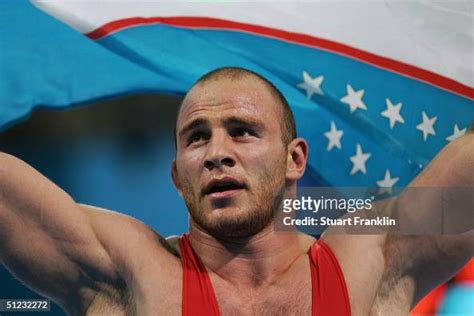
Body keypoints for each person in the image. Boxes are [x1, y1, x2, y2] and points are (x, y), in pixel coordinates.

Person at [0, 67, 472, 315]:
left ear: (295, 159)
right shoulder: (128, 272)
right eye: (196, 137)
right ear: (177, 175)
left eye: (243, 131)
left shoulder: (371, 256)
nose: (216, 152)